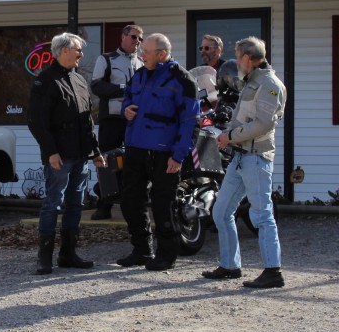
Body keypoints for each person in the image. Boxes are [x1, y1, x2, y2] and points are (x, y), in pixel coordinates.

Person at [202, 37, 287, 288]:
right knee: (221, 211)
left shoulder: (269, 84)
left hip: (256, 158)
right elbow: (243, 120)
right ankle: (230, 266)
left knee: (262, 215)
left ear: (248, 58)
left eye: (238, 57)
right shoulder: (250, 82)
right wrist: (221, 128)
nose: (236, 62)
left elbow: (263, 124)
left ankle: (273, 271)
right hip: (240, 158)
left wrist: (229, 137)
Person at [116, 33, 199, 271]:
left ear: (162, 54)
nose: (141, 55)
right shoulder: (140, 74)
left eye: (146, 52)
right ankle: (142, 250)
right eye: (141, 51)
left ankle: (167, 254)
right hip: (135, 148)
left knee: (163, 204)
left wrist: (178, 156)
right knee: (131, 201)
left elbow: (190, 121)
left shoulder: (182, 79)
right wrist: (126, 111)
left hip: (165, 153)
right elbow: (127, 100)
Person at [28, 32, 106, 275]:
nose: (81, 54)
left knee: (76, 204)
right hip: (60, 155)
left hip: (81, 154)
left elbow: (87, 121)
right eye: (78, 50)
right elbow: (37, 122)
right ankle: (44, 257)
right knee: (53, 204)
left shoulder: (80, 80)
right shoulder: (45, 81)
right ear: (63, 51)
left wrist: (95, 151)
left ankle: (68, 254)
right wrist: (50, 152)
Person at [89, 24, 144, 219]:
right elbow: (96, 86)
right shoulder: (106, 58)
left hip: (135, 120)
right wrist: (123, 89)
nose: (137, 42)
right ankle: (104, 205)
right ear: (123, 37)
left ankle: (130, 202)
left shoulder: (142, 62)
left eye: (140, 39)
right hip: (112, 119)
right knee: (106, 160)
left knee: (132, 161)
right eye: (133, 37)